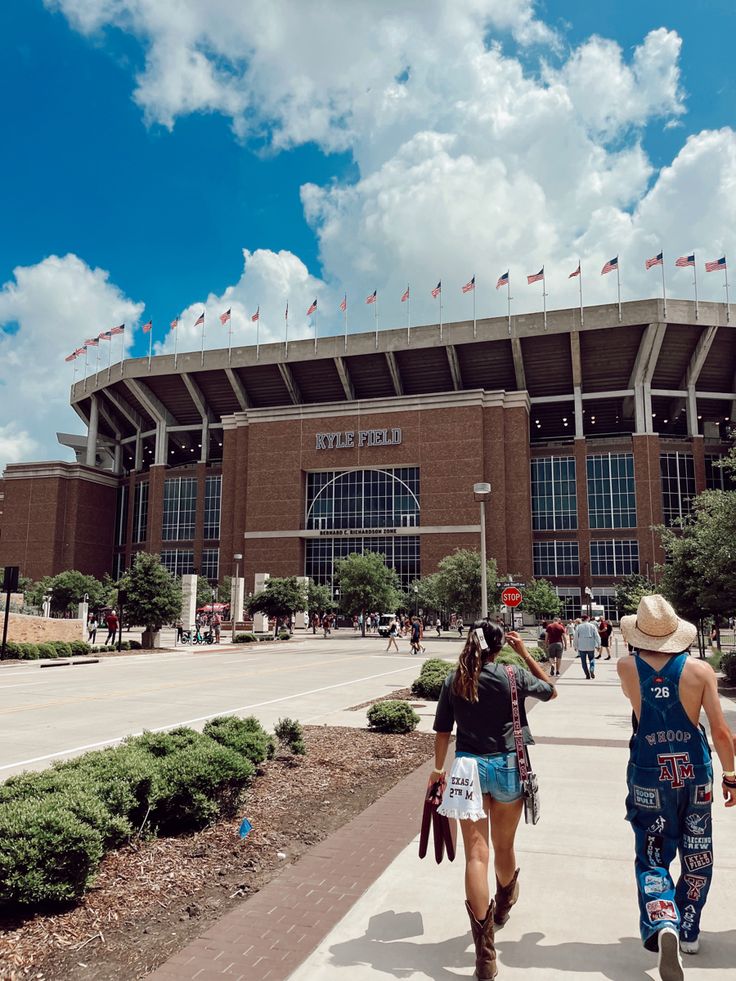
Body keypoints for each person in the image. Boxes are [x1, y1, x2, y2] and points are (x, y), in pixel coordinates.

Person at [617, 594, 735, 979]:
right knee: (697, 849)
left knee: (652, 854)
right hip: (696, 773)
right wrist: (732, 774)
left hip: (649, 773)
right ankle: (688, 928)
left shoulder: (626, 667)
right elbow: (719, 730)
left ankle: (661, 919)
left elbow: (639, 705)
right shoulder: (700, 672)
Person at [432, 622, 557, 980]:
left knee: (476, 854)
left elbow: (443, 730)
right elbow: (551, 689)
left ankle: (485, 957)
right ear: (500, 646)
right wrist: (525, 653)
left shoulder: (454, 679)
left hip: (466, 767)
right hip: (507, 764)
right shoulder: (512, 674)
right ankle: (503, 906)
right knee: (504, 847)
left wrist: (437, 771)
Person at [574, 614, 600, 679]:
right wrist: (598, 644)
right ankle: (591, 669)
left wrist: (575, 646)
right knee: (592, 659)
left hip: (582, 646)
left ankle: (587, 674)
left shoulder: (579, 627)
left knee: (583, 661)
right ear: (588, 619)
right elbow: (597, 636)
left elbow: (576, 637)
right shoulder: (592, 626)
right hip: (591, 645)